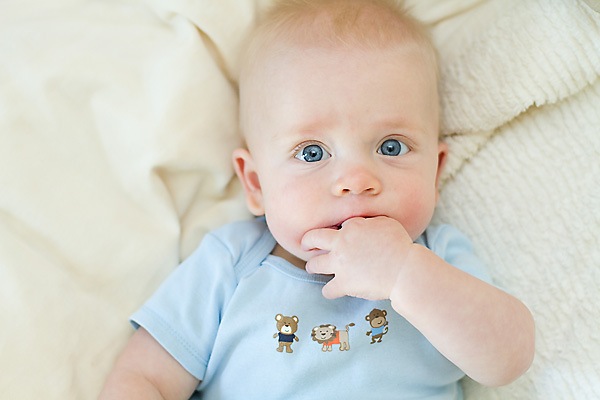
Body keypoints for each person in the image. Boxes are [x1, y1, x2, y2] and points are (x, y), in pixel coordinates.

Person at [99, 0, 535, 398]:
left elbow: (508, 357)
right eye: (312, 153)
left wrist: (404, 273)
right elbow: (146, 378)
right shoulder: (229, 265)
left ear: (435, 173)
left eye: (391, 147)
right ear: (256, 184)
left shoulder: (436, 259)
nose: (356, 181)